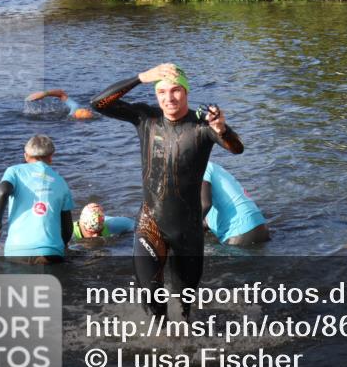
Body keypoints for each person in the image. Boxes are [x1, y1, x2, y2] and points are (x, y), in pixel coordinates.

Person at [91, 63, 243, 317]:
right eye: (161, 92)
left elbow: (237, 149)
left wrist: (222, 129)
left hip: (188, 229)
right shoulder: (146, 118)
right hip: (151, 222)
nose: (169, 98)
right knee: (151, 296)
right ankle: (159, 337)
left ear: (186, 92)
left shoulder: (203, 126)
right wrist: (141, 78)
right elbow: (98, 104)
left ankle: (183, 337)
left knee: (184, 307)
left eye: (175, 90)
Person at [0, 134, 73, 264]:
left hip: (18, 250)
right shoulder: (61, 182)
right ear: (51, 157)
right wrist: (62, 245)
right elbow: (67, 228)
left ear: (26, 156)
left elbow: (2, 191)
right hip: (51, 253)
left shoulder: (14, 171)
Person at [202, 162, 269, 246]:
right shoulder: (214, 168)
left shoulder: (201, 168)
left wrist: (188, 228)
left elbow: (205, 204)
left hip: (239, 232)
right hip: (261, 226)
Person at [25, 88, 95, 119]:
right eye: (86, 110)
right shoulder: (75, 107)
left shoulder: (70, 117)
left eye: (83, 112)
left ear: (75, 116)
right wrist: (45, 94)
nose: (88, 110)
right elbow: (61, 93)